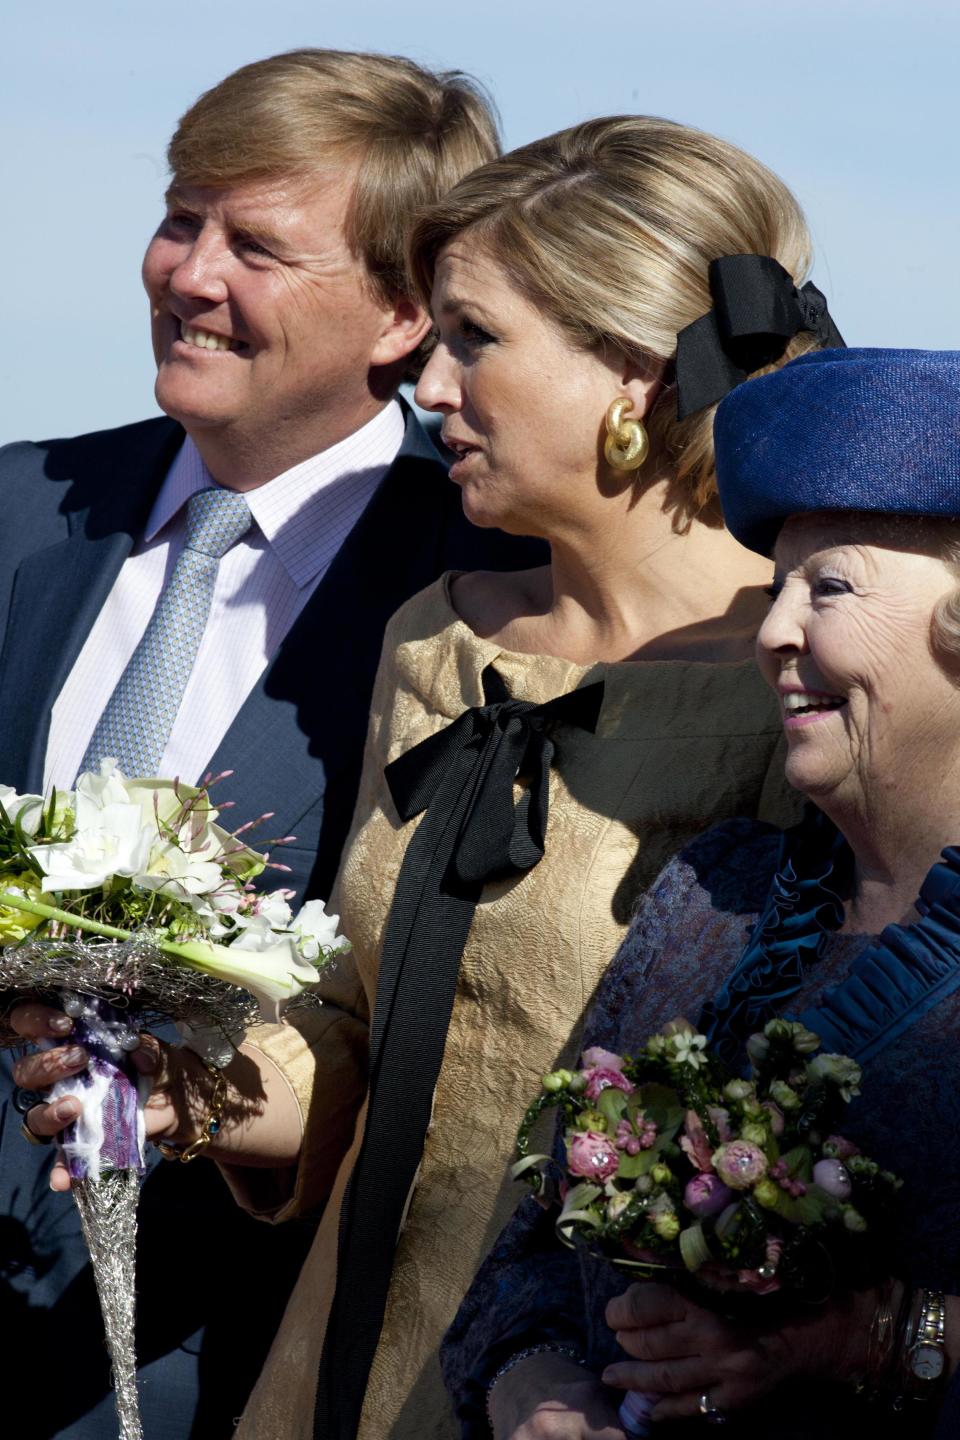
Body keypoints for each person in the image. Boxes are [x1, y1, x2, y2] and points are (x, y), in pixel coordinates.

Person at [11, 117, 839, 1438]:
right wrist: (192, 1084)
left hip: (596, 1395)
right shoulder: (441, 636)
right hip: (338, 1374)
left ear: (629, 368)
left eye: (475, 339)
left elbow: (843, 1113)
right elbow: (356, 1026)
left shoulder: (807, 673)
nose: (429, 386)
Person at [0, 49, 545, 1439]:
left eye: (255, 246)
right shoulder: (21, 507)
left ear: (400, 313)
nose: (189, 274)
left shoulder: (481, 596)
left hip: (219, 1352)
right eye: (183, 218)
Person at [445, 347, 960, 1440]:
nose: (775, 631)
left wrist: (869, 1339)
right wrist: (535, 1389)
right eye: (778, 590)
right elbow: (523, 1257)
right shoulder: (713, 895)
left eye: (831, 588)